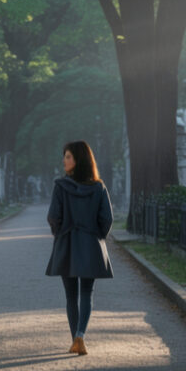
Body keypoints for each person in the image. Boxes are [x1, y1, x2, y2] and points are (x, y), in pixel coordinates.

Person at [45, 140, 114, 356]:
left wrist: (60, 232)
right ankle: (80, 335)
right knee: (86, 292)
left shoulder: (60, 186)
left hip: (66, 243)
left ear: (77, 160)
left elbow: (53, 216)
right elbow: (107, 219)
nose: (64, 161)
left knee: (70, 295)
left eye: (68, 156)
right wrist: (97, 236)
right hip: (90, 243)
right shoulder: (99, 187)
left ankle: (74, 339)